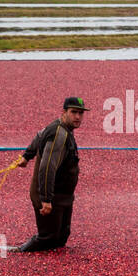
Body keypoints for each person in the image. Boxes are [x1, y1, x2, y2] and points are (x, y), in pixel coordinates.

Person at [13, 96, 87, 252]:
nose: (78, 117)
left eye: (81, 113)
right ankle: (20, 252)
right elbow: (47, 168)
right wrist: (46, 199)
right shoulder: (59, 135)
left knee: (62, 236)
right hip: (51, 195)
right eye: (74, 112)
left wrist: (27, 156)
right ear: (64, 112)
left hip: (64, 194)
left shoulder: (60, 128)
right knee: (48, 238)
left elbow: (39, 136)